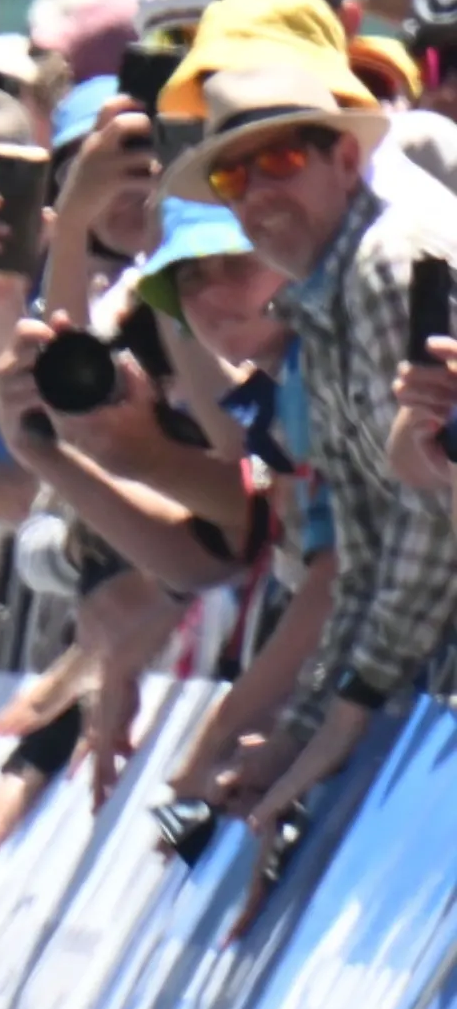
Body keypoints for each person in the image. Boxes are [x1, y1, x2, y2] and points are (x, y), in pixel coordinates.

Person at [170, 58, 457, 889]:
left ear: (345, 158)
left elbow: (428, 524)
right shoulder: (326, 294)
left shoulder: (388, 264)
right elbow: (366, 549)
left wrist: (343, 715)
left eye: (282, 159)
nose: (258, 192)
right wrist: (302, 727)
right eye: (234, 176)